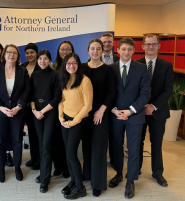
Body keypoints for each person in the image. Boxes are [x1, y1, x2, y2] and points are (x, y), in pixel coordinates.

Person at [109, 38, 151, 199]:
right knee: (116, 147)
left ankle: (130, 181)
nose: (126, 52)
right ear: (118, 50)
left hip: (135, 115)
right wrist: (114, 110)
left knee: (133, 150)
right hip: (115, 115)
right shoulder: (110, 68)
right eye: (123, 49)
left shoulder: (141, 69)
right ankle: (119, 174)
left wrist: (130, 110)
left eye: (129, 49)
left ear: (134, 51)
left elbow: (145, 93)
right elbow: (108, 92)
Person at [0, 44, 30, 183]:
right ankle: (1, 168)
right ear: (4, 54)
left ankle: (17, 167)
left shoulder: (23, 71)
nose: (11, 55)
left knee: (17, 140)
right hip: (0, 112)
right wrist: (0, 107)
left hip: (18, 111)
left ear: (18, 56)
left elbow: (27, 91)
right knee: (1, 140)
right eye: (9, 52)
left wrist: (18, 106)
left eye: (14, 53)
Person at [136, 34, 173, 187]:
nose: (151, 47)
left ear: (159, 46)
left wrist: (153, 106)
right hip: (139, 111)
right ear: (143, 46)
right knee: (137, 142)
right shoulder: (136, 64)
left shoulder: (166, 65)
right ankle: (135, 169)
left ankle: (158, 173)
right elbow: (133, 89)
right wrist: (142, 105)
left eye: (154, 44)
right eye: (148, 44)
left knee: (156, 143)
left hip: (158, 112)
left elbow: (168, 89)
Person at [81, 39, 116, 197]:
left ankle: (98, 183)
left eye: (98, 49)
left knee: (99, 147)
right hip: (84, 113)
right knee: (86, 145)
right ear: (88, 50)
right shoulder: (81, 68)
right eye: (92, 48)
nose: (95, 51)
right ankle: (87, 175)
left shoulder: (108, 70)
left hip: (100, 114)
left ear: (103, 51)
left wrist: (101, 110)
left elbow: (112, 92)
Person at [58, 53, 93, 199]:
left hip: (78, 121)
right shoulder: (64, 79)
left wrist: (73, 122)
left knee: (72, 153)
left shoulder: (85, 81)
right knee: (68, 153)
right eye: (68, 63)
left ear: (78, 65)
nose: (71, 66)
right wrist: (60, 117)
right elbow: (61, 100)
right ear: (64, 65)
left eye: (74, 63)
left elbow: (88, 106)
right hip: (65, 119)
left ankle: (80, 187)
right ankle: (73, 180)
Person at [30, 49, 61, 193]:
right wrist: (34, 110)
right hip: (36, 109)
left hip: (49, 110)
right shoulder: (34, 75)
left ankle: (45, 180)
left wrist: (42, 111)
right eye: (40, 58)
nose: (42, 61)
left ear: (50, 61)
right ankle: (44, 172)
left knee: (47, 144)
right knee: (41, 143)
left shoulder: (55, 75)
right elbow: (29, 94)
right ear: (37, 60)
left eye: (45, 59)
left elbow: (57, 97)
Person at [49, 41, 74, 178]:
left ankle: (67, 167)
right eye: (62, 49)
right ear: (58, 51)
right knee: (56, 139)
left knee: (67, 141)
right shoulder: (53, 67)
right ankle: (58, 166)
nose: (65, 51)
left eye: (68, 49)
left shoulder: (74, 65)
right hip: (54, 107)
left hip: (69, 108)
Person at [21, 43, 41, 171]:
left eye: (32, 52)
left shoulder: (42, 66)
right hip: (25, 105)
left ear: (37, 53)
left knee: (38, 133)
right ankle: (33, 158)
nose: (29, 55)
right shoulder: (22, 66)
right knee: (31, 134)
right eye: (27, 52)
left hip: (38, 105)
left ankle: (39, 160)